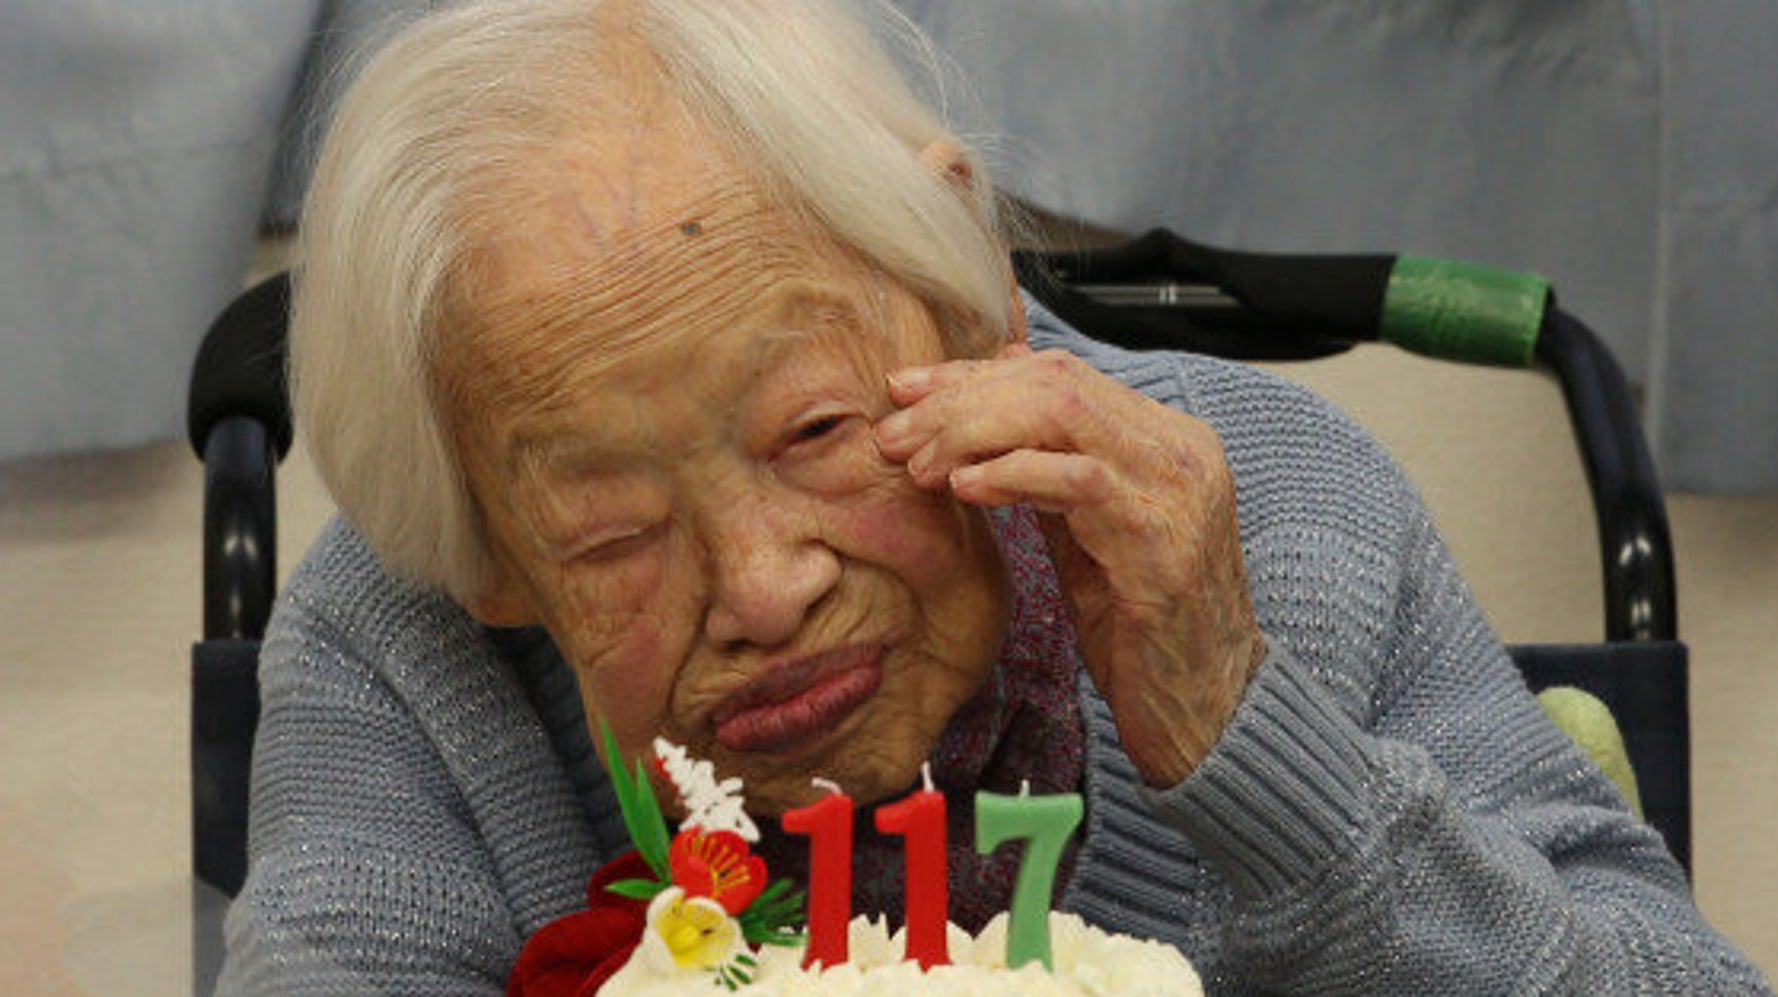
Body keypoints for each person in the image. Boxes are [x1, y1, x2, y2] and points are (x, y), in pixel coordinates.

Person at [217, 0, 1771, 993]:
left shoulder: (1269, 518)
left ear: (962, 294)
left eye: (817, 428)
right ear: (486, 553)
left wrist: (1248, 743)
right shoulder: (397, 646)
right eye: (612, 532)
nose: (764, 587)